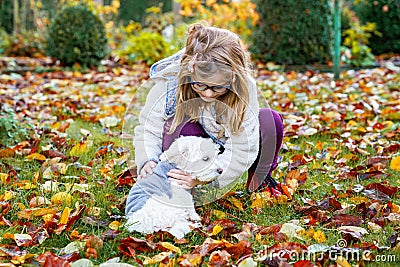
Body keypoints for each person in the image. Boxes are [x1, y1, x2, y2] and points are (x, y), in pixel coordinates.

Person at [133, 22, 284, 204]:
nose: (208, 93)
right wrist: (148, 160)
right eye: (200, 85)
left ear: (233, 78)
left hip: (228, 142)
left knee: (270, 120)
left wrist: (209, 178)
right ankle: (178, 183)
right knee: (175, 126)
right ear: (190, 71)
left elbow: (243, 148)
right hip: (196, 143)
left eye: (218, 88)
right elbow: (148, 129)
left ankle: (259, 183)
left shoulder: (244, 88)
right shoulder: (169, 83)